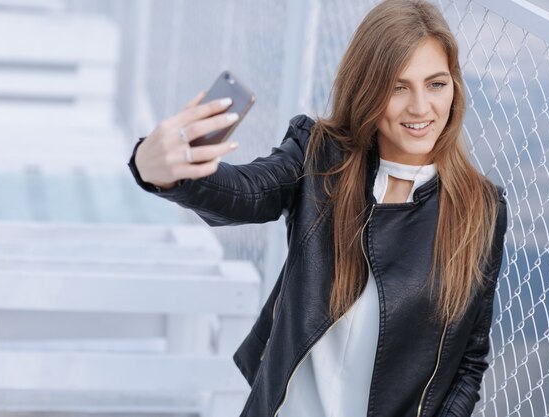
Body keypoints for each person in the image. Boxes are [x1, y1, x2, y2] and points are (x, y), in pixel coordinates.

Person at [128, 0, 507, 415]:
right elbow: (246, 191)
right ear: (367, 89)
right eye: (398, 87)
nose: (420, 107)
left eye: (436, 84)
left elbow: (469, 363)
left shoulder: (480, 210)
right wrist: (161, 168)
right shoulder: (320, 157)